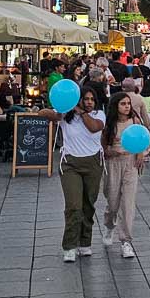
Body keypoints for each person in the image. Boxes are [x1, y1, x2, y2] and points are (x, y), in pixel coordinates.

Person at [38, 89, 106, 262]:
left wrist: (81, 112)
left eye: (92, 99)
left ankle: (85, 242)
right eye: (85, 99)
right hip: (70, 165)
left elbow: (94, 128)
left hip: (93, 163)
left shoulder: (99, 115)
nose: (89, 102)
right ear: (78, 100)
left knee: (88, 204)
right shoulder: (66, 116)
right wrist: (60, 112)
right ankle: (69, 245)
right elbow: (42, 113)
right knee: (74, 206)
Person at [102, 92, 144, 260]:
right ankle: (109, 224)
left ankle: (126, 241)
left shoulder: (135, 121)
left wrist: (140, 153)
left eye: (128, 103)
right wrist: (112, 151)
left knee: (127, 203)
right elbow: (104, 148)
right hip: (113, 163)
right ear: (116, 106)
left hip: (130, 163)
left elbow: (142, 138)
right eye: (123, 104)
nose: (127, 106)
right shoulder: (110, 124)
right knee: (113, 202)